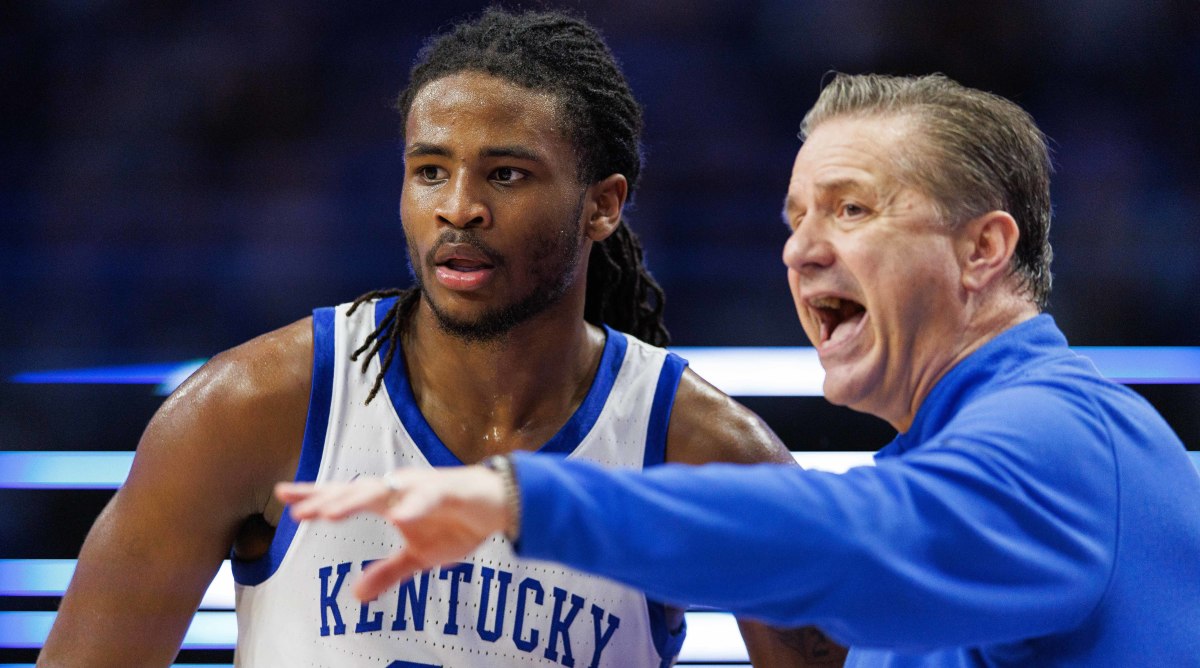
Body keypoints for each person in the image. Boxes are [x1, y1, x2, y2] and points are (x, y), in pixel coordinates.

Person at [278, 72, 1200, 666]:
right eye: (795, 219)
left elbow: (856, 540)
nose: (801, 251)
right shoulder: (965, 464)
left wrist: (532, 500)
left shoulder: (1063, 431)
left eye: (851, 209)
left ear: (982, 250)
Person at [37, 8, 846, 668]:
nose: (458, 208)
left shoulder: (701, 451)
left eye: (505, 174)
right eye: (430, 170)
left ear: (602, 206)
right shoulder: (249, 409)